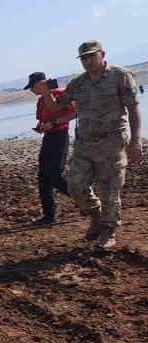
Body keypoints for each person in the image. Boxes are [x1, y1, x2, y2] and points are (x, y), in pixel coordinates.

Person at [39, 40, 142, 249]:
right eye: (83, 58)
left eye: (91, 56)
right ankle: (95, 215)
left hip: (112, 142)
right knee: (74, 186)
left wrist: (136, 140)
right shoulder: (79, 83)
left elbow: (133, 108)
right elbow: (56, 106)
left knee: (110, 190)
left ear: (102, 55)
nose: (88, 61)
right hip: (84, 144)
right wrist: (45, 91)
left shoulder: (120, 75)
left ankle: (108, 231)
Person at [24, 72, 77, 225]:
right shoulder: (41, 101)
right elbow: (43, 120)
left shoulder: (60, 94)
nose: (30, 90)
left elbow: (75, 112)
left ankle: (85, 201)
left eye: (32, 86)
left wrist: (54, 122)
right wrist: (42, 127)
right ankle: (49, 215)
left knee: (55, 176)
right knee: (43, 178)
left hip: (60, 136)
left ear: (41, 83)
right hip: (49, 138)